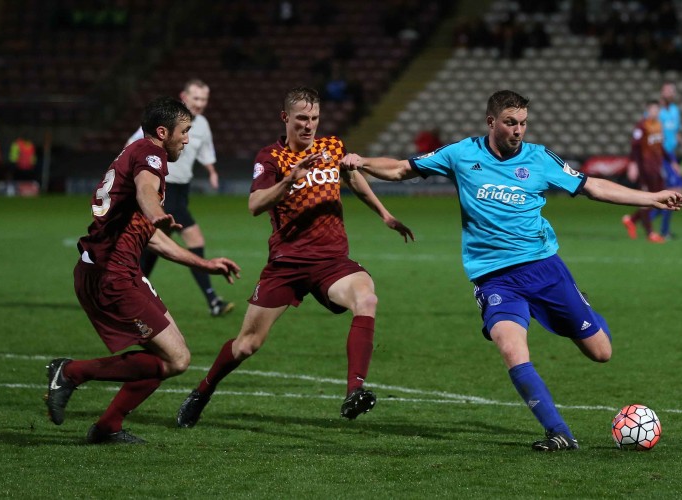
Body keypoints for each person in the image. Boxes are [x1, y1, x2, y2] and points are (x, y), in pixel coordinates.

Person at [339, 90, 682, 451]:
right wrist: (361, 162)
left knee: (601, 352)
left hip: (544, 268)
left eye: (522, 123)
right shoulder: (461, 154)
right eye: (510, 123)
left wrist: (651, 197)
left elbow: (592, 186)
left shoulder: (539, 158)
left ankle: (580, 306)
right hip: (495, 277)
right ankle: (560, 433)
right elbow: (399, 168)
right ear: (491, 122)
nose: (518, 130)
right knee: (510, 348)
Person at [176, 86, 414, 428]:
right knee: (246, 345)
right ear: (285, 117)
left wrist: (385, 215)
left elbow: (354, 179)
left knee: (367, 298)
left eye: (315, 118)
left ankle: (354, 391)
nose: (309, 125)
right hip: (286, 265)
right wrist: (289, 180)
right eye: (302, 118)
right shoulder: (270, 158)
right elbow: (255, 205)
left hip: (332, 261)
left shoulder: (332, 147)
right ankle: (202, 392)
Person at [44, 96, 241, 444]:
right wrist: (154, 212)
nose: (187, 139)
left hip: (120, 269)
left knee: (170, 357)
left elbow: (150, 238)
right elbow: (147, 190)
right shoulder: (151, 155)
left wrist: (203, 263)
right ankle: (71, 372)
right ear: (162, 132)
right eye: (184, 132)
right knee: (176, 359)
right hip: (110, 275)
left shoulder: (133, 154)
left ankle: (108, 427)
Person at [126, 79, 233, 317]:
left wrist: (212, 171)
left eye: (204, 99)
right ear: (183, 96)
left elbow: (205, 151)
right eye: (195, 98)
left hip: (182, 189)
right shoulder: (167, 120)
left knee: (154, 246)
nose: (200, 104)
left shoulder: (202, 124)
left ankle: (130, 291)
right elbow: (134, 143)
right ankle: (213, 299)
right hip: (165, 188)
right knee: (190, 238)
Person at [622, 100, 681, 243]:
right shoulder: (642, 126)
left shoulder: (659, 125)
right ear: (648, 110)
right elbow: (635, 147)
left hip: (657, 168)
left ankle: (631, 219)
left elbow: (660, 147)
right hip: (644, 168)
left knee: (659, 200)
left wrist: (672, 162)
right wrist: (633, 164)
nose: (655, 112)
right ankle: (650, 233)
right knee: (647, 200)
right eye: (653, 109)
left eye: (657, 110)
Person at [653, 81, 682, 239]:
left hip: (670, 154)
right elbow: (657, 138)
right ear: (662, 92)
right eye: (669, 90)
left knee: (675, 193)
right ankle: (661, 230)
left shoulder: (675, 110)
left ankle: (643, 221)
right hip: (661, 157)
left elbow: (674, 133)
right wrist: (672, 162)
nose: (672, 93)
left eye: (673, 90)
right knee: (675, 192)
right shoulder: (656, 113)